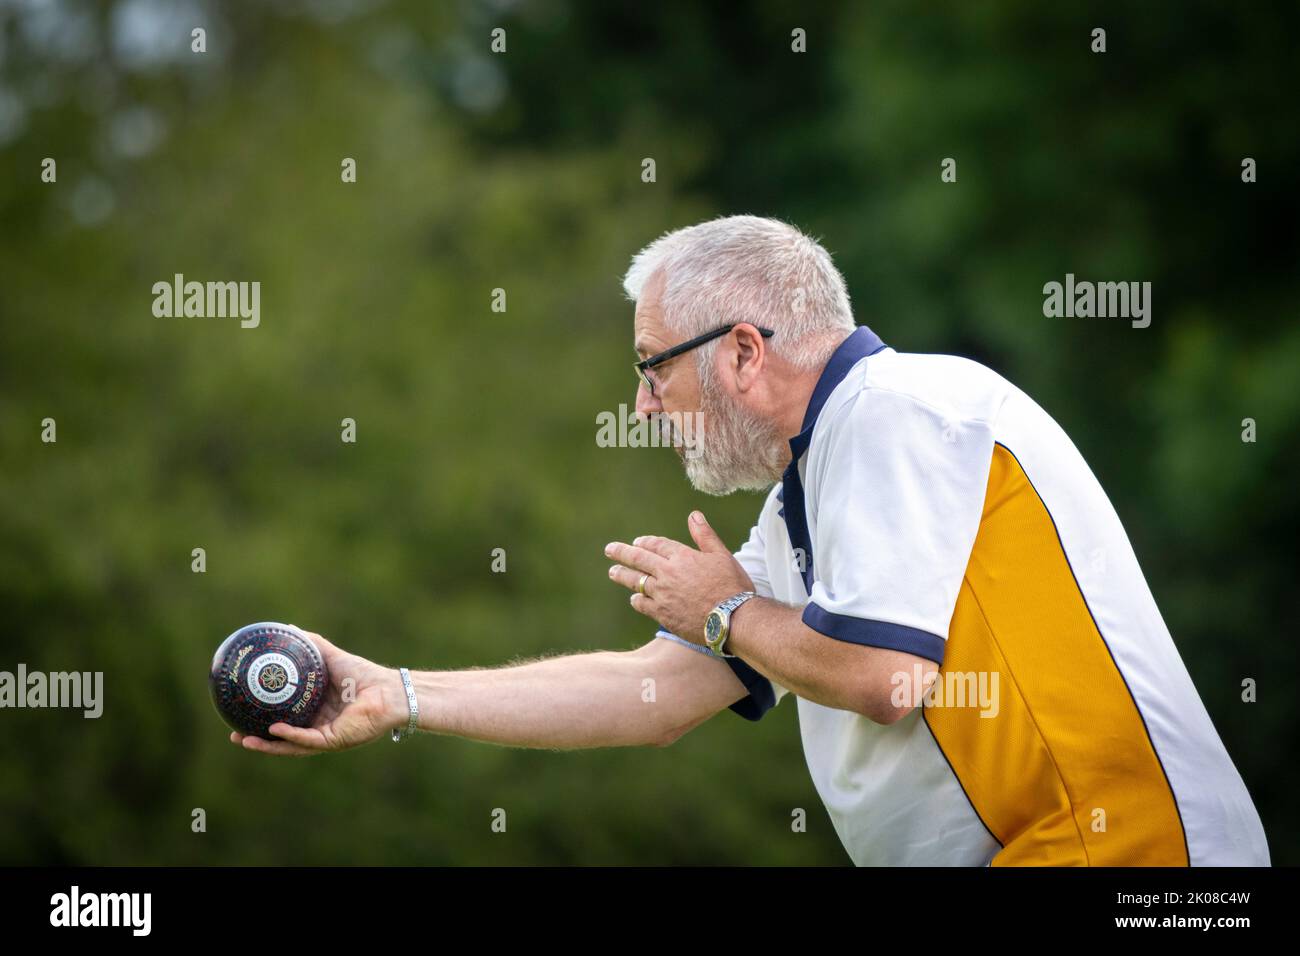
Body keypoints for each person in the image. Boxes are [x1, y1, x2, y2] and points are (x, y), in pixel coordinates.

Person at [232, 215, 1270, 866]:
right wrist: (398, 691)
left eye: (651, 368)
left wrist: (727, 610)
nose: (642, 404)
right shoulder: (807, 490)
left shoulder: (895, 409)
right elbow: (654, 696)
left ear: (738, 351)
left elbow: (886, 678)